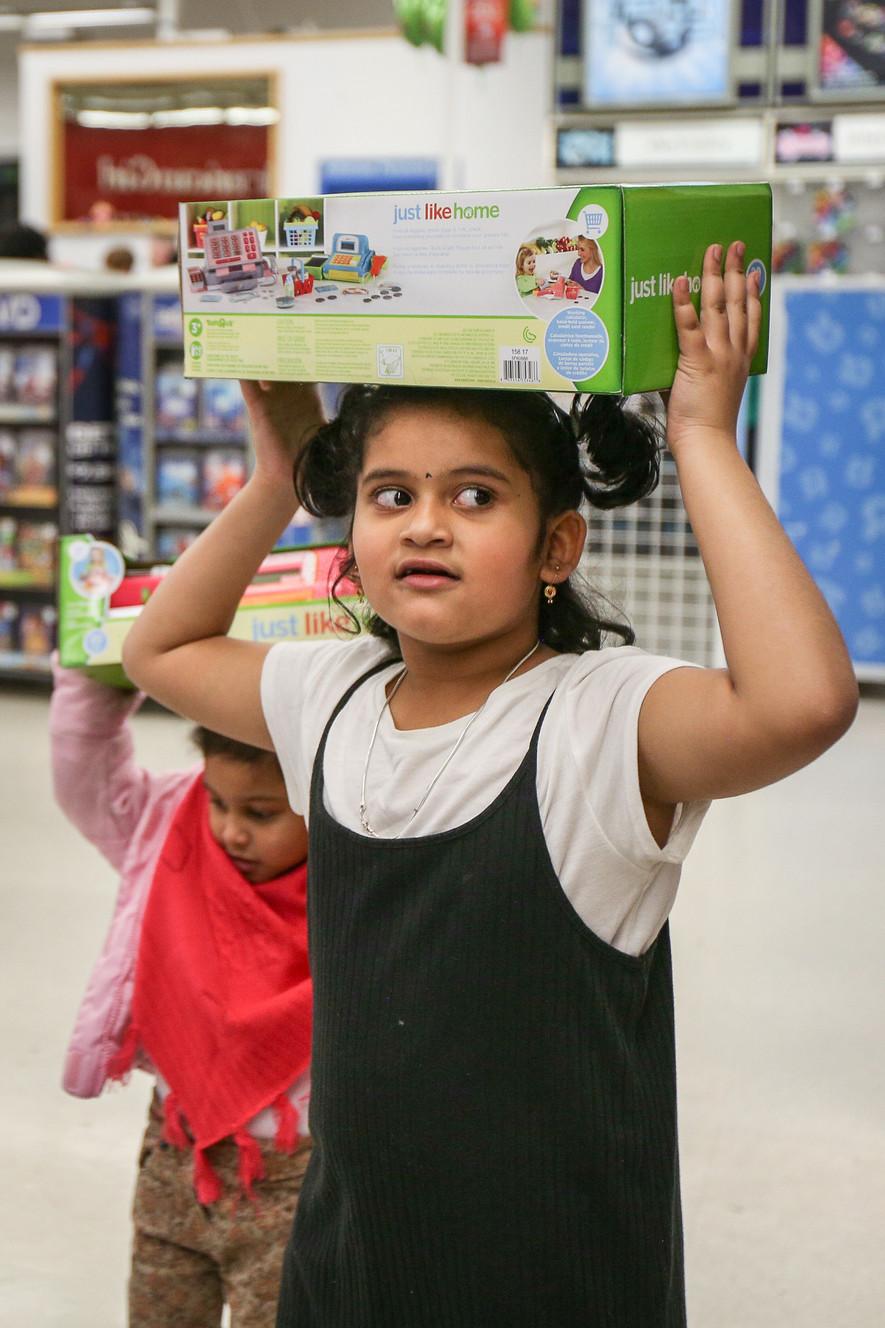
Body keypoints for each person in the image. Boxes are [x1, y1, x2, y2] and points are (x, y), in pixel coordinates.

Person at [120, 242, 858, 1327]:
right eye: (390, 494)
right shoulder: (333, 696)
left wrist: (703, 434)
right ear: (353, 535)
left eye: (474, 495)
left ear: (556, 546)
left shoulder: (597, 718)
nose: (426, 522)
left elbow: (802, 702)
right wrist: (282, 474)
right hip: (348, 1264)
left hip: (554, 1284)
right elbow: (159, 650)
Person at [49, 659, 313, 1328]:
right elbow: (88, 776)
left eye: (261, 813)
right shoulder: (174, 825)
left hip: (300, 1178)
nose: (231, 830)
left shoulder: (360, 871)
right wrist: (94, 666)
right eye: (218, 801)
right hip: (176, 1156)